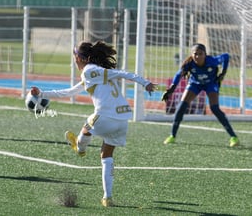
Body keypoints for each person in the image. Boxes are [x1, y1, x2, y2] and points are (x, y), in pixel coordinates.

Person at [30, 40, 157, 207]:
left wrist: (144, 82)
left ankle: (80, 148)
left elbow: (122, 73)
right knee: (106, 156)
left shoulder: (90, 70)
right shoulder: (92, 75)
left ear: (83, 58)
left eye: (76, 56)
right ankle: (107, 197)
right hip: (122, 120)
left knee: (88, 126)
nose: (74, 59)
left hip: (105, 117)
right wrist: (42, 93)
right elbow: (69, 92)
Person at [162, 43, 239, 147]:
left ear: (205, 54)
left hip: (210, 84)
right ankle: (172, 135)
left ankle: (233, 137)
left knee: (215, 109)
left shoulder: (212, 61)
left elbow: (226, 56)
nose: (197, 56)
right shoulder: (189, 63)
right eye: (195, 54)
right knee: (181, 107)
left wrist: (223, 73)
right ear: (191, 54)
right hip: (195, 84)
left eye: (200, 54)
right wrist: (171, 88)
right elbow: (178, 75)